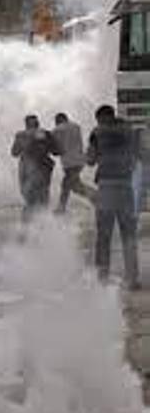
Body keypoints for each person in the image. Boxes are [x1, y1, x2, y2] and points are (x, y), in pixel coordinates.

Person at [86, 105, 141, 290]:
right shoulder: (129, 130)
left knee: (104, 235)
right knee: (128, 234)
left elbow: (90, 160)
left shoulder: (97, 132)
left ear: (101, 117)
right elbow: (139, 155)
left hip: (106, 186)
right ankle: (132, 278)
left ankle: (102, 278)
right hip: (126, 186)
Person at [11, 115, 61, 222]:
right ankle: (42, 224)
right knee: (43, 197)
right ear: (38, 124)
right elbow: (56, 151)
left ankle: (27, 224)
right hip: (44, 168)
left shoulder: (21, 135)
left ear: (26, 124)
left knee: (29, 198)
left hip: (26, 169)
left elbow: (14, 153)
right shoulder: (46, 134)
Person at [51, 113, 96, 213]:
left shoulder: (57, 130)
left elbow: (56, 148)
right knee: (74, 185)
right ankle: (95, 197)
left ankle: (61, 208)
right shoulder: (76, 126)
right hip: (80, 159)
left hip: (69, 162)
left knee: (66, 184)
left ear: (58, 120)